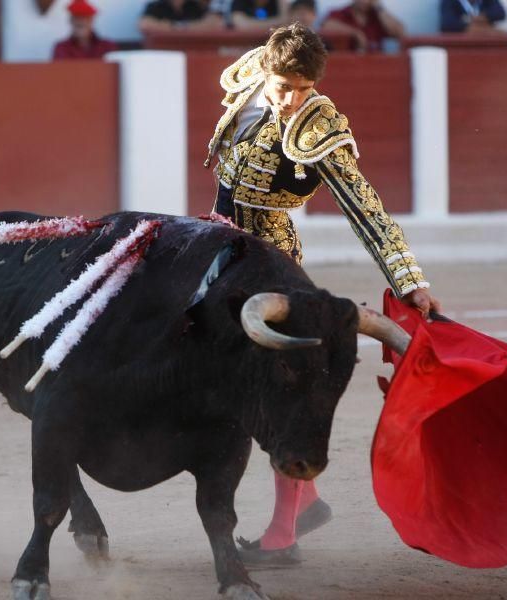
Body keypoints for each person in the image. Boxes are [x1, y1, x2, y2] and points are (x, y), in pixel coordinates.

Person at [204, 23, 440, 565]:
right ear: (266, 70)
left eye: (303, 89)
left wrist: (410, 280)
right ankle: (304, 501)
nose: (291, 100)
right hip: (219, 240)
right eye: (284, 86)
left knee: (273, 384)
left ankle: (283, 533)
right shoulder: (247, 80)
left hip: (270, 258)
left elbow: (365, 207)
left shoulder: (317, 127)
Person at [320, 0, 405, 53]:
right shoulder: (340, 13)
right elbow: (326, 26)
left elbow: (400, 32)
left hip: (375, 70)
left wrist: (379, 8)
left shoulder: (378, 18)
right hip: (346, 69)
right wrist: (355, 33)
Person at [52, 0, 117, 60]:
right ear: (70, 21)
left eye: (85, 18)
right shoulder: (61, 48)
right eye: (76, 18)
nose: (80, 22)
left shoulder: (107, 47)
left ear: (92, 20)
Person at [139, 0, 221, 33]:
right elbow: (144, 24)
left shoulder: (195, 6)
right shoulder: (157, 6)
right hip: (163, 51)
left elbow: (214, 23)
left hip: (192, 49)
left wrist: (173, 26)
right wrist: (192, 26)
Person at [440, 0, 507, 34]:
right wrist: (480, 29)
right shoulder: (450, 1)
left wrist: (480, 18)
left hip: (487, 42)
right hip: (462, 45)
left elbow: (501, 13)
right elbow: (447, 24)